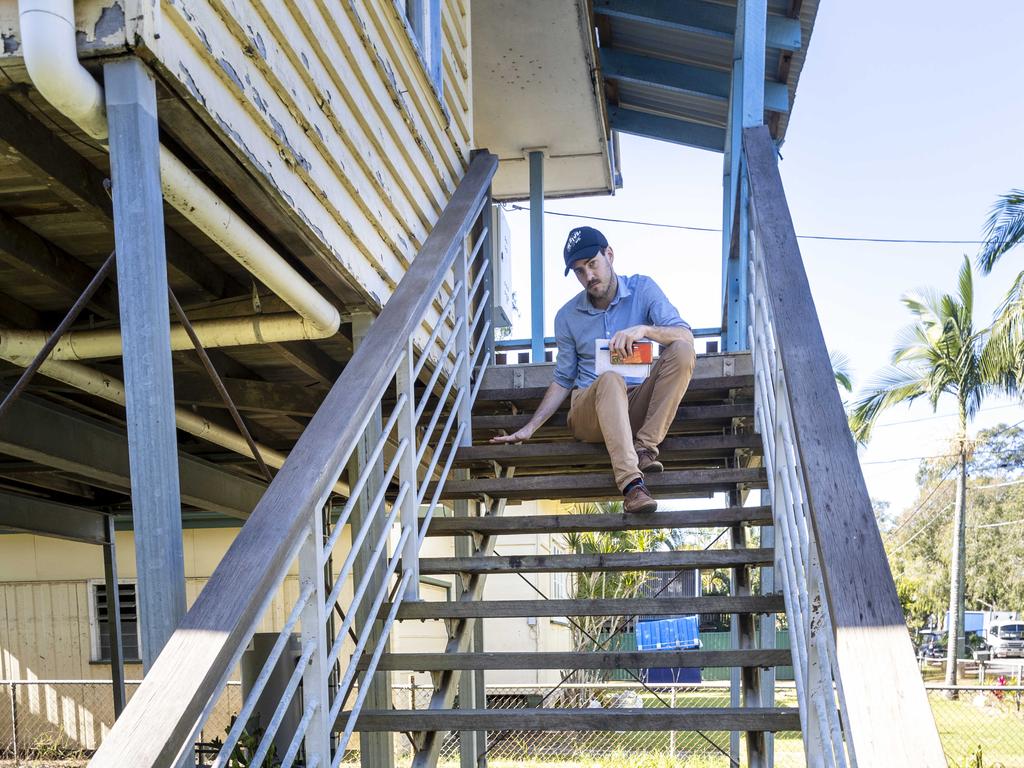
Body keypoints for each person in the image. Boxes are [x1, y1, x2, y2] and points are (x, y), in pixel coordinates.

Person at [490, 226, 696, 514]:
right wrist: (530, 427)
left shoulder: (643, 289)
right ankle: (632, 487)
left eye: (592, 264)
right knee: (610, 379)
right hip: (589, 410)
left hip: (634, 404)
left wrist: (645, 329)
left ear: (609, 255)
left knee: (682, 351)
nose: (588, 276)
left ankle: (644, 448)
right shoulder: (567, 316)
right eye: (579, 271)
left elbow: (686, 336)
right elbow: (563, 379)